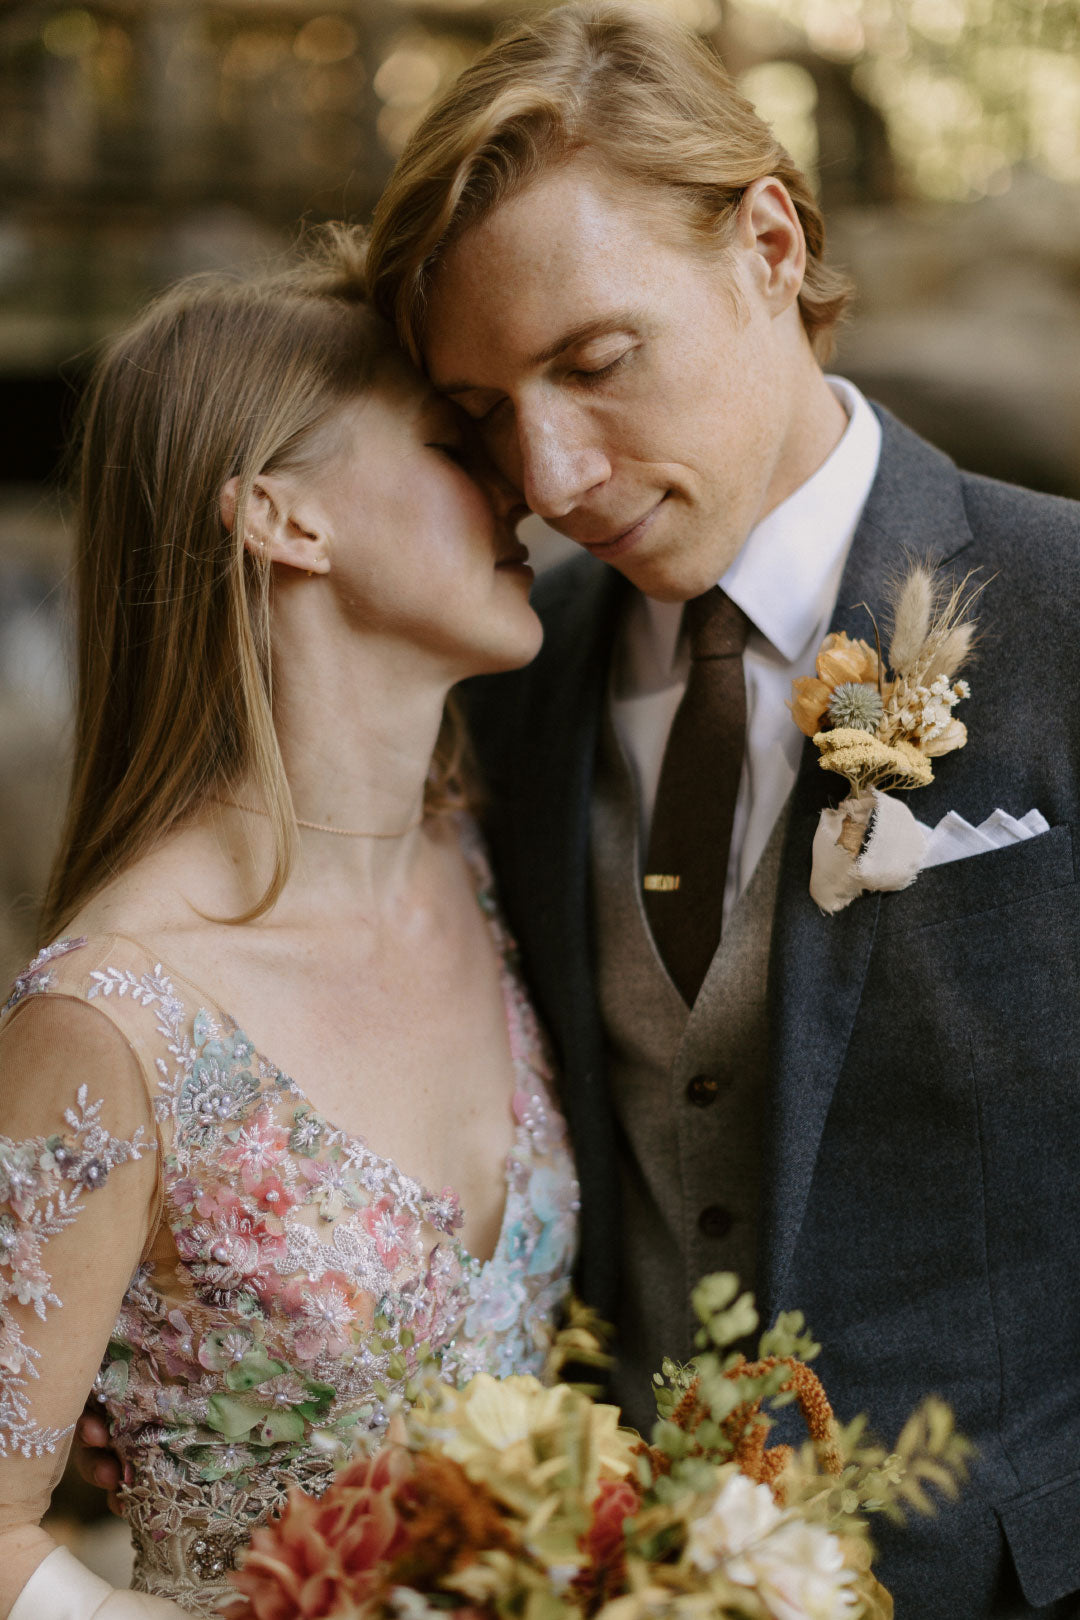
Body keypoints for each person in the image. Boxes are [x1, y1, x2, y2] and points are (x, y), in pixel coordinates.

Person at [358, 5, 1080, 1616]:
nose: (547, 472)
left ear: (768, 241)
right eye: (483, 413)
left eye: (594, 362)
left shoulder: (1066, 614)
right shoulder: (509, 711)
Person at [0, 231, 578, 1618]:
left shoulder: (490, 860)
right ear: (284, 518)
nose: (531, 482)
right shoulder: (118, 1017)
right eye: (458, 441)